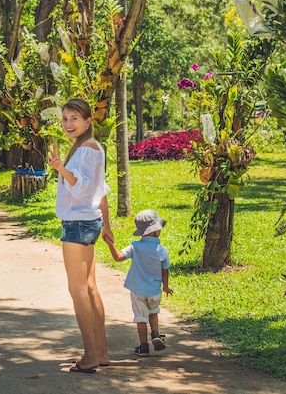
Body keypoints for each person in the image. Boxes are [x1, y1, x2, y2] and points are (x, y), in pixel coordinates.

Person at [47, 98, 113, 374]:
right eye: (64, 119)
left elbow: (84, 188)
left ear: (88, 122)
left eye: (74, 118)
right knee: (90, 286)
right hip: (90, 222)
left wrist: (61, 168)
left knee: (78, 290)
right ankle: (101, 351)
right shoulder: (93, 147)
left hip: (76, 224)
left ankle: (90, 356)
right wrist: (106, 225)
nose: (68, 124)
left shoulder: (85, 151)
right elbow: (102, 190)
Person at [103, 209, 173, 356]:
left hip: (138, 291)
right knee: (153, 312)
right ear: (155, 231)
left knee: (141, 318)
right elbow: (165, 270)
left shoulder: (135, 246)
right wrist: (165, 286)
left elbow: (118, 257)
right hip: (155, 290)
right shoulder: (162, 250)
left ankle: (143, 346)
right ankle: (155, 333)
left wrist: (110, 244)